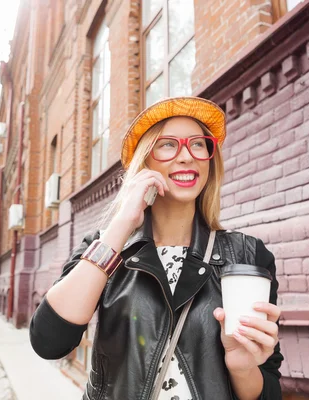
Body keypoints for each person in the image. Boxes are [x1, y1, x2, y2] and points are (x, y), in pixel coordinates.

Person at [30, 97, 283, 400]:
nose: (187, 157)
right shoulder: (104, 248)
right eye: (167, 145)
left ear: (209, 161)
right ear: (145, 161)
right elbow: (49, 342)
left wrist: (242, 367)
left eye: (198, 144)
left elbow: (268, 389)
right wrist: (122, 222)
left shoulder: (247, 255)